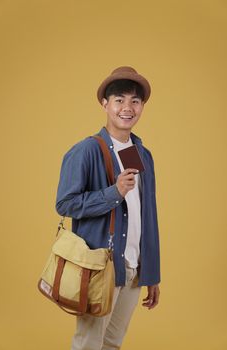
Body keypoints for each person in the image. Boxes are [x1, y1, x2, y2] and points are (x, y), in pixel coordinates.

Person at [56, 66, 161, 350]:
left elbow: (145, 215)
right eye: (119, 100)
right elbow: (65, 204)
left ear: (141, 107)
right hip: (101, 266)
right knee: (89, 343)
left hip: (132, 268)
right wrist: (113, 192)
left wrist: (150, 272)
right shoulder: (87, 150)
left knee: (112, 343)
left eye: (135, 101)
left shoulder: (139, 153)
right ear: (105, 103)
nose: (127, 108)